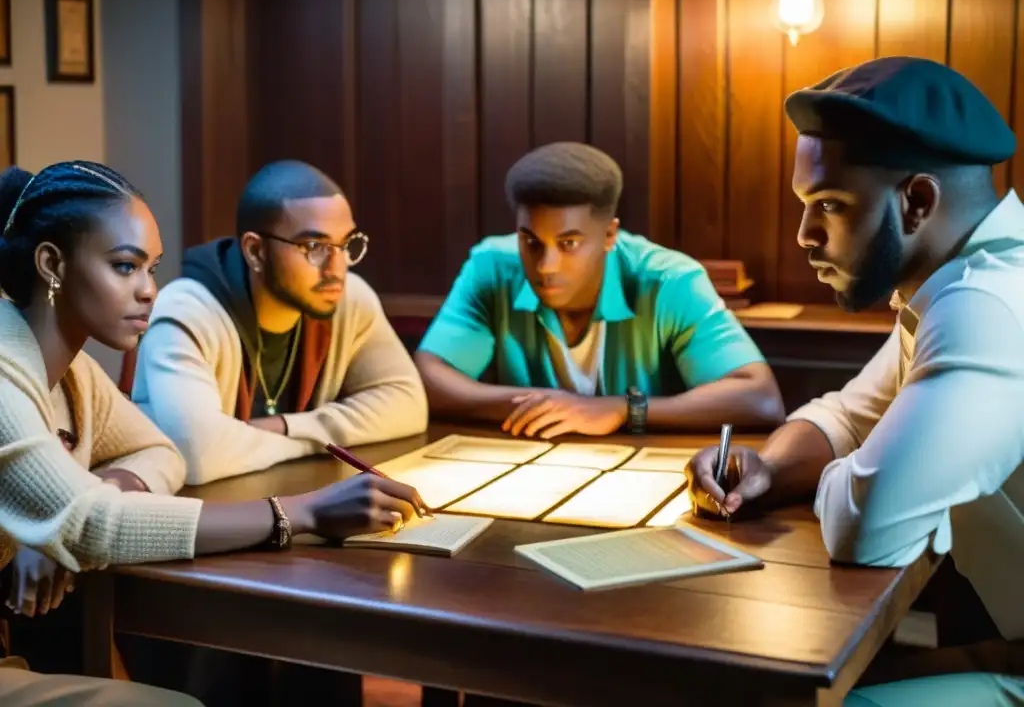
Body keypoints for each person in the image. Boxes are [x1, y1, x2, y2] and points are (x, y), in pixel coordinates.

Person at [0, 161, 426, 705]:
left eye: (151, 268)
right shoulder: (6, 364)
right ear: (52, 264)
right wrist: (301, 513)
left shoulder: (74, 372)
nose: (149, 290)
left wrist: (69, 511)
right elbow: (94, 523)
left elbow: (158, 451)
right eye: (125, 267)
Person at [685, 57, 1023, 704]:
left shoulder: (986, 306)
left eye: (830, 206)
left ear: (917, 201)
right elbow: (846, 415)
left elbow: (863, 529)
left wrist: (863, 470)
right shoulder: (951, 284)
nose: (804, 235)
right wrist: (765, 466)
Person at [415, 141, 784, 438]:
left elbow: (759, 399)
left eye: (569, 243)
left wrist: (621, 409)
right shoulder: (492, 266)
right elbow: (429, 377)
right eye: (531, 242)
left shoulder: (670, 280)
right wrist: (542, 403)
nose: (546, 265)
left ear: (609, 235)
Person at [131, 160, 427, 486]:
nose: (336, 268)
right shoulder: (187, 311)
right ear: (256, 251)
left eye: (345, 245)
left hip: (291, 494)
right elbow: (200, 455)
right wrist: (320, 439)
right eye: (314, 247)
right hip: (200, 519)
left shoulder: (348, 298)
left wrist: (286, 426)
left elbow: (409, 404)